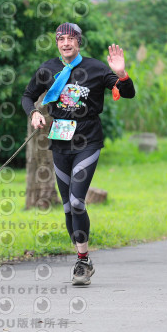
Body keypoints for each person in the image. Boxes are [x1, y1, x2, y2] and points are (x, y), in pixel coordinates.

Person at [21, 22, 135, 285]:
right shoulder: (48, 69)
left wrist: (122, 74)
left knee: (76, 201)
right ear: (57, 43)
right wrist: (34, 112)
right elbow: (28, 96)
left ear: (79, 42)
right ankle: (83, 257)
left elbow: (128, 93)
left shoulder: (95, 68)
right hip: (60, 142)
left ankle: (82, 262)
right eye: (61, 38)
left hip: (88, 141)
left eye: (71, 38)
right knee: (67, 208)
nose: (65, 42)